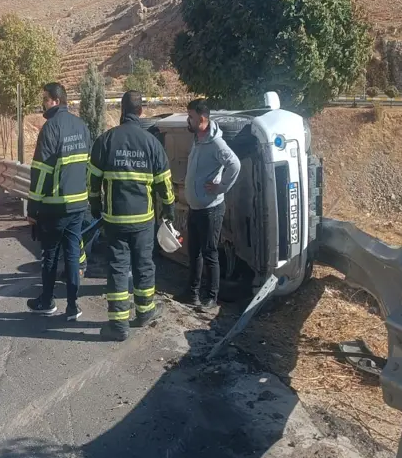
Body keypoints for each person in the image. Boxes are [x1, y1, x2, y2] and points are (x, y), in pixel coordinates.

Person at [88, 91, 175, 341]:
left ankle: (118, 325)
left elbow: (92, 181)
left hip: (115, 220)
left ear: (121, 110)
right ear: (141, 111)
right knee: (143, 265)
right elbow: (164, 184)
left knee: (117, 267)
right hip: (143, 221)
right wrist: (168, 209)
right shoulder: (151, 143)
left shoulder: (105, 140)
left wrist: (95, 206)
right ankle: (145, 312)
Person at [26, 83, 91, 321]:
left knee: (50, 255)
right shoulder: (81, 125)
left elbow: (41, 172)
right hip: (78, 205)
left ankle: (47, 301)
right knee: (73, 255)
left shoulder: (50, 128)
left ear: (54, 100)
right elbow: (87, 165)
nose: (42, 103)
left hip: (54, 206)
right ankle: (73, 306)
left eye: (44, 99)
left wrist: (33, 207)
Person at [180, 98, 241, 310]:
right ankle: (192, 293)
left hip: (210, 210)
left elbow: (234, 164)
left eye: (191, 117)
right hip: (195, 208)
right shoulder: (198, 138)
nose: (188, 120)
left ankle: (211, 297)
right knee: (194, 251)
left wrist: (220, 187)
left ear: (203, 119)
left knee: (209, 253)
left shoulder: (217, 143)